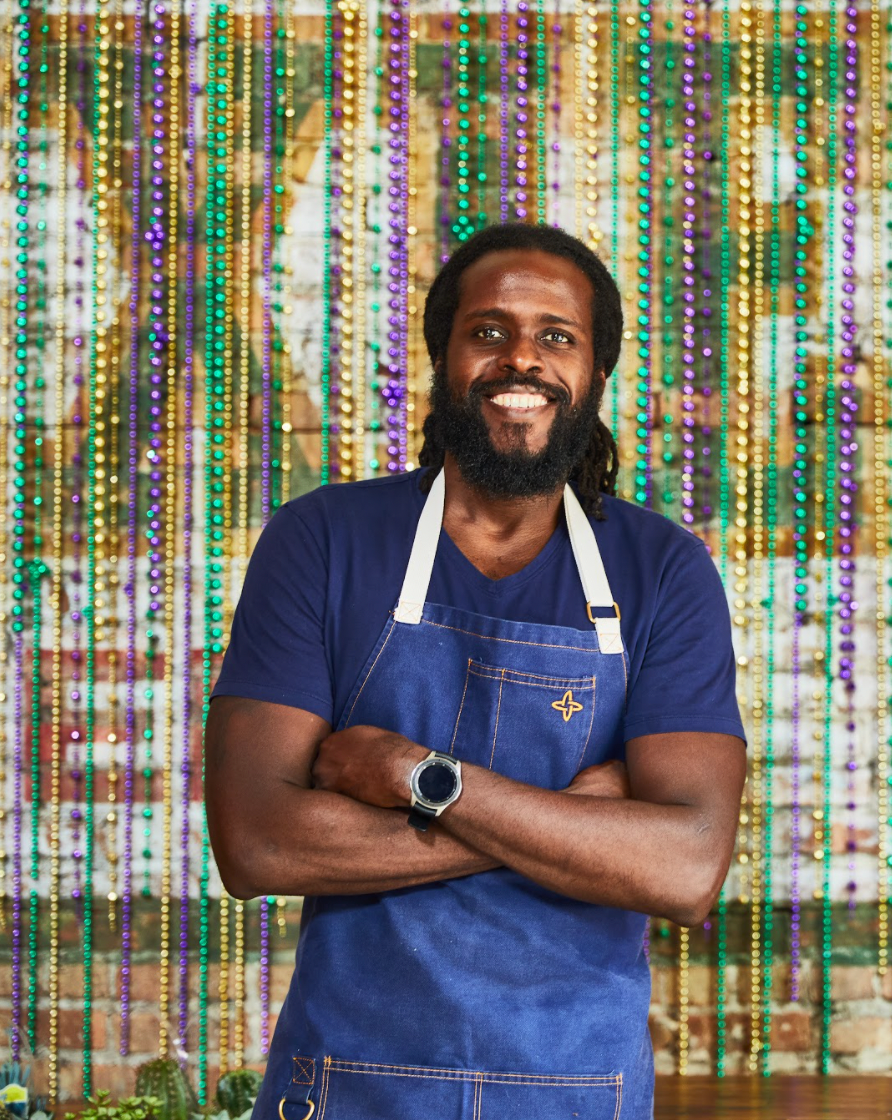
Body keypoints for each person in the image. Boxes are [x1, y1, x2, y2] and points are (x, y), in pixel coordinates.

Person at [206, 223, 747, 1120]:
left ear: (596, 375)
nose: (520, 358)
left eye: (556, 336)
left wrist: (411, 776)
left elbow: (687, 870)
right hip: (346, 1086)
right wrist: (571, 824)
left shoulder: (663, 569)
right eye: (488, 331)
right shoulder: (324, 541)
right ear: (442, 359)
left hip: (580, 1091)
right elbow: (257, 844)